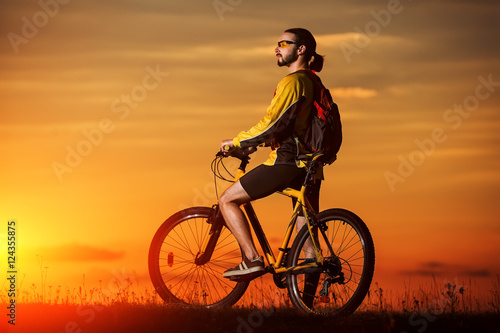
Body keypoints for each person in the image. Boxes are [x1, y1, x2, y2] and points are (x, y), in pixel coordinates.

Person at [219, 28, 325, 279]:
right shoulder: (312, 81)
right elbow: (292, 125)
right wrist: (260, 143)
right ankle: (308, 309)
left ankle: (252, 259)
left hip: (287, 162)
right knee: (309, 246)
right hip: (310, 164)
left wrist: (236, 142)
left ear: (301, 50)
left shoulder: (293, 81)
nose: (276, 48)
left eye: (283, 43)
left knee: (227, 200)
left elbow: (272, 122)